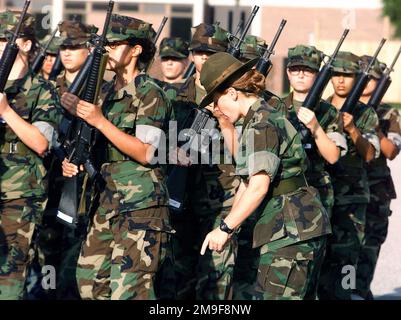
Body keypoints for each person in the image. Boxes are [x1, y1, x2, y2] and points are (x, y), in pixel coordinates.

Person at [199, 52, 331, 300]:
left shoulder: (262, 124)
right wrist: (229, 226)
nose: (216, 108)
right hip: (288, 228)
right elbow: (246, 182)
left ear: (232, 93)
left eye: (216, 99)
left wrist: (226, 228)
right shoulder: (257, 119)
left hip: (290, 230)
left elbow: (258, 186)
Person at [61, 13, 174, 300]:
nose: (106, 49)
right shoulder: (106, 92)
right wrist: (74, 160)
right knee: (89, 281)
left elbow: (148, 153)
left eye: (114, 43)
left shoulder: (151, 93)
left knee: (130, 290)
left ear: (136, 50)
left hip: (141, 204)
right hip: (106, 198)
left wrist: (100, 121)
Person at [0, 10, 62, 300]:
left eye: (4, 38)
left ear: (24, 44)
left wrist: (6, 112)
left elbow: (41, 143)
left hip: (19, 196)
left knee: (10, 273)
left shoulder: (43, 90)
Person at [318, 52, 380, 300]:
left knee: (347, 260)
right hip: (320, 193)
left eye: (347, 75)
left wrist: (353, 129)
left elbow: (370, 154)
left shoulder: (366, 114)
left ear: (357, 79)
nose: (341, 80)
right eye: (336, 74)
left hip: (351, 198)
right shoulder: (318, 108)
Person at [355, 55, 401, 300]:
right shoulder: (341, 107)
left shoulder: (388, 113)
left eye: (371, 78)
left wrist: (373, 126)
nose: (365, 82)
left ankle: (358, 292)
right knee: (344, 250)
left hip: (375, 191)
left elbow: (392, 151)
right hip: (346, 190)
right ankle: (348, 290)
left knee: (367, 250)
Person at [283, 45, 347, 217]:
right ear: (288, 73)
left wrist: (315, 126)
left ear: (317, 75)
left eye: (307, 70)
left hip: (315, 194)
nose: (301, 74)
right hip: (279, 192)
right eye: (295, 69)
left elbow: (333, 156)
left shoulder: (329, 112)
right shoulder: (274, 106)